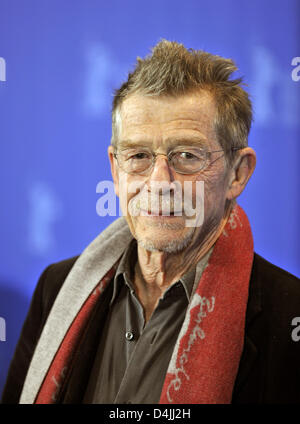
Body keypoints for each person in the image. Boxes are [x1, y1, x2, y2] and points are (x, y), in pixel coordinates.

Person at [2, 40, 300, 404]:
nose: (159, 183)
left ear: (238, 173)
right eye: (139, 155)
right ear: (115, 168)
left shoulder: (288, 315)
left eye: (187, 155)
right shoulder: (57, 288)